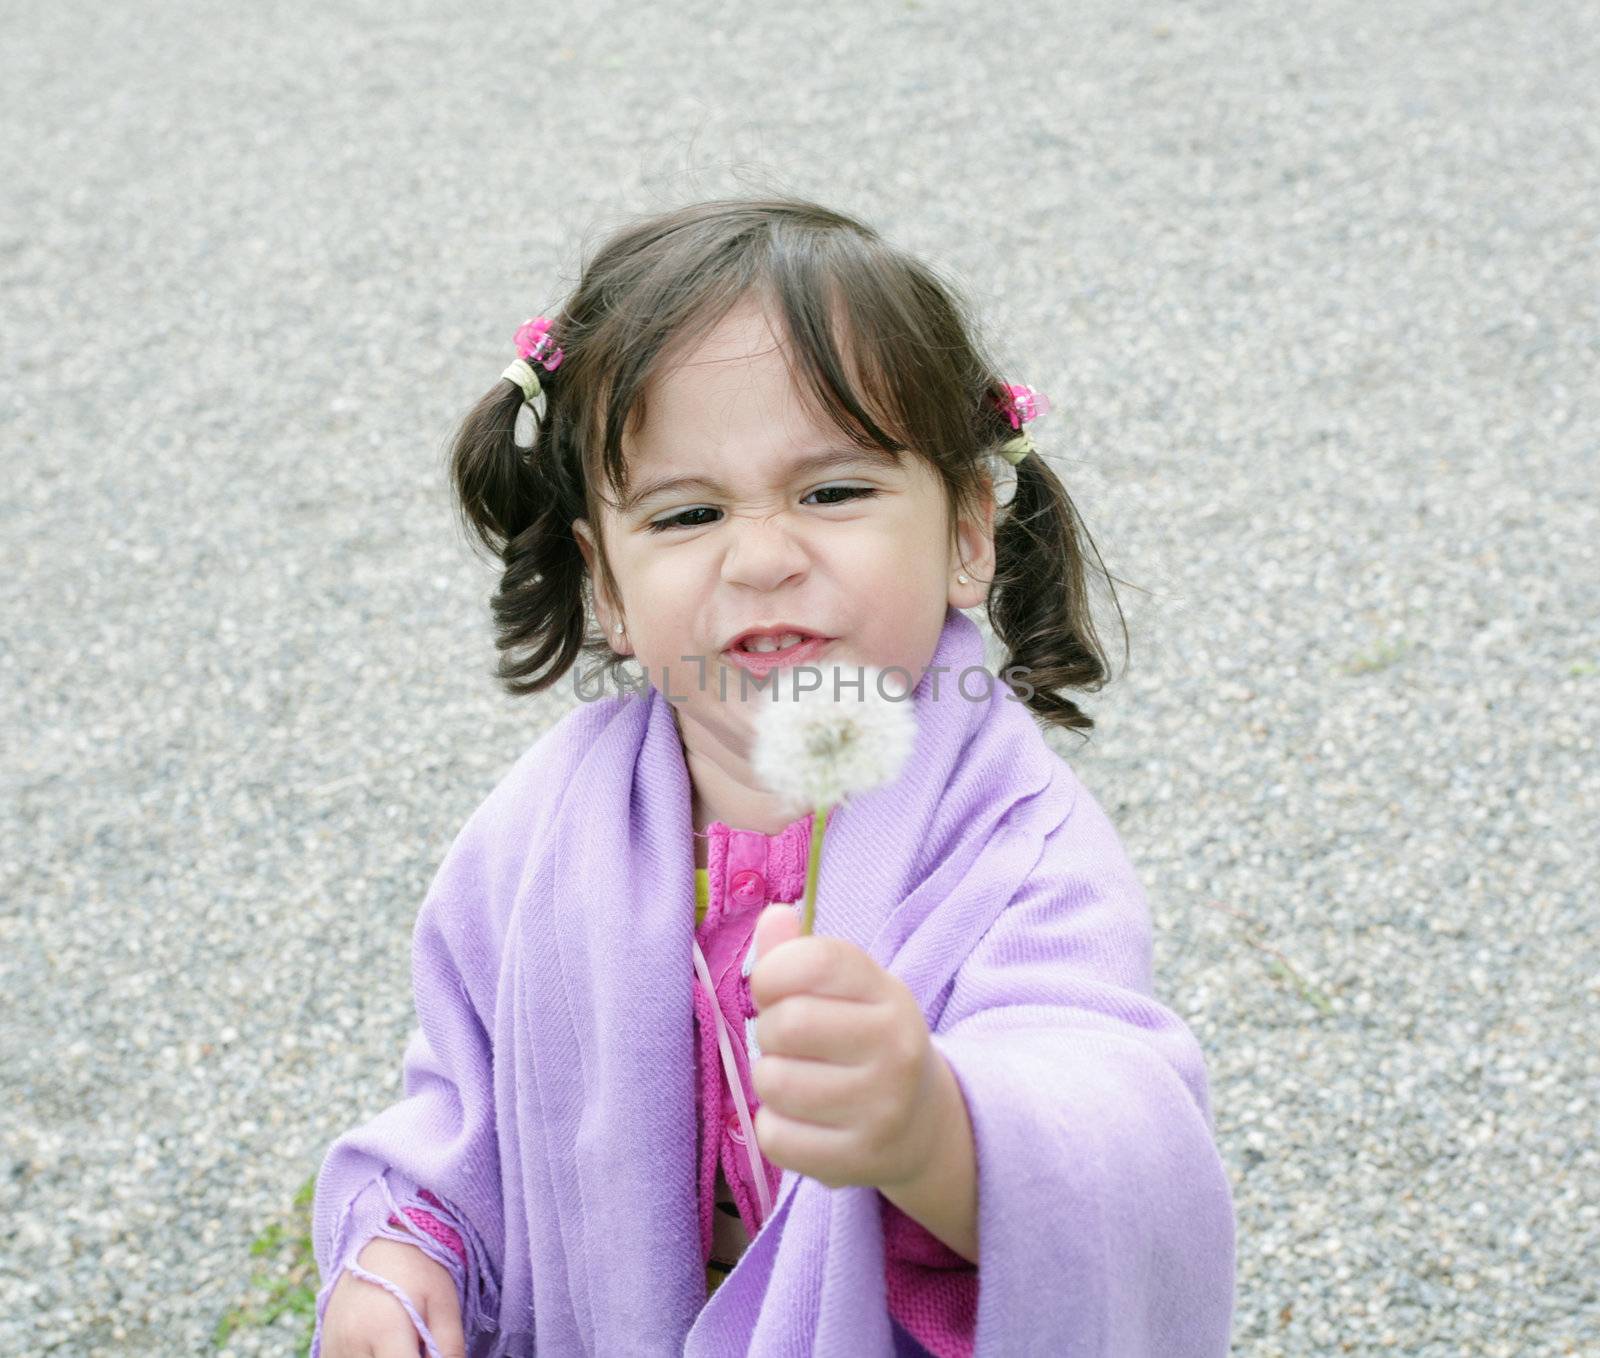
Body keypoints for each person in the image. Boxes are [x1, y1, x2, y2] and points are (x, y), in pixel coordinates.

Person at [309, 194, 1236, 1358]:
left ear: (965, 531)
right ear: (605, 582)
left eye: (833, 491)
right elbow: (463, 1111)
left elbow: (1108, 1118)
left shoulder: (1011, 836)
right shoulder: (537, 835)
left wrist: (931, 1128)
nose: (760, 556)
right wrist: (407, 1255)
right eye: (687, 512)